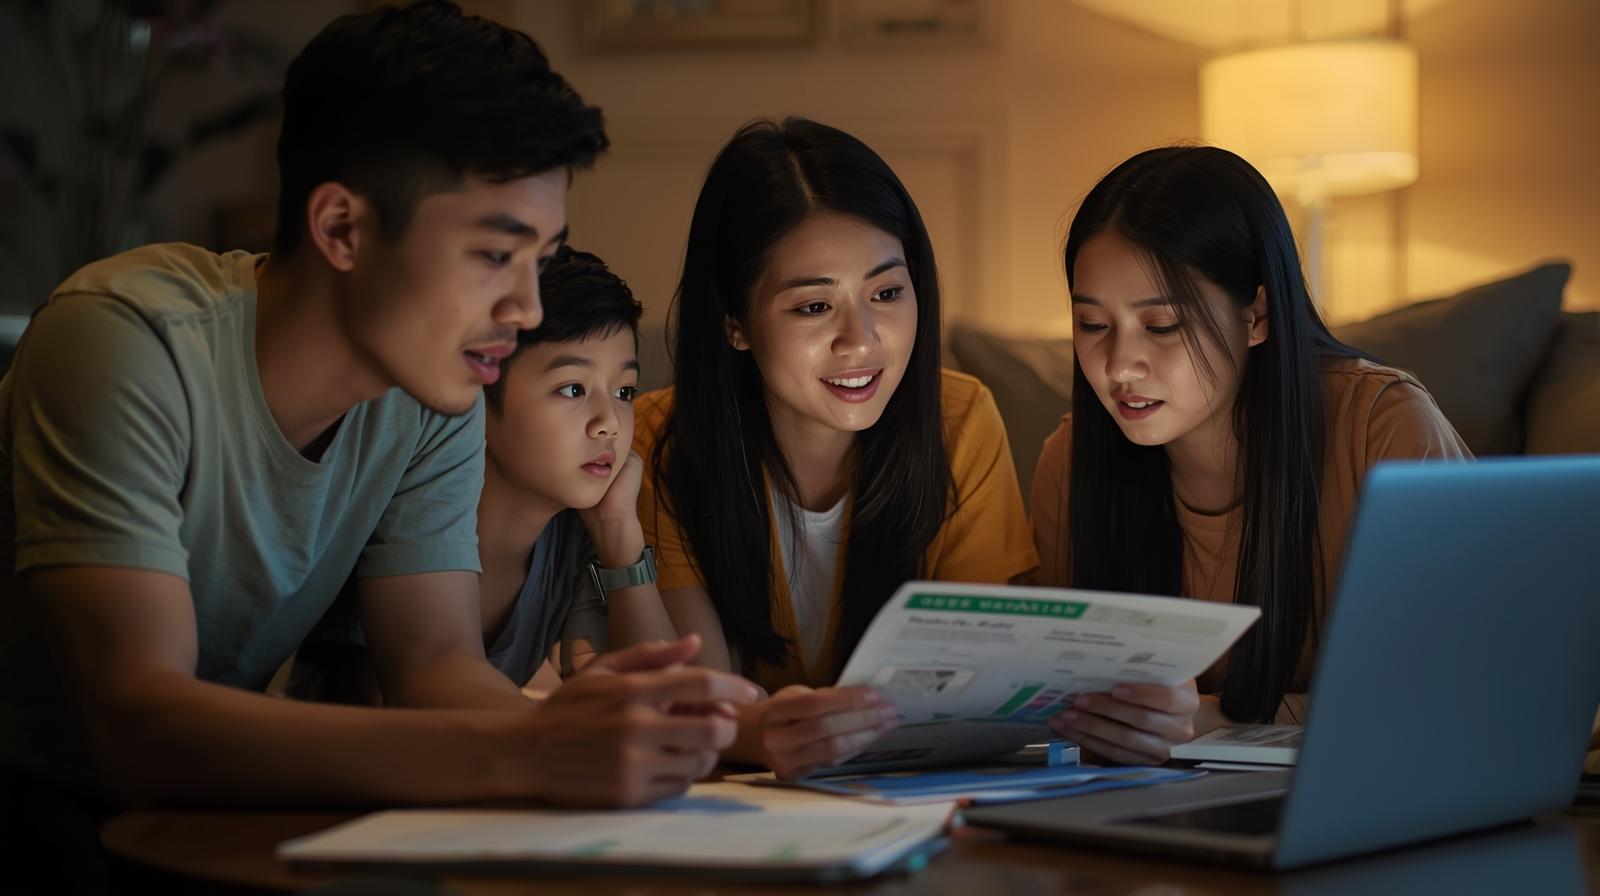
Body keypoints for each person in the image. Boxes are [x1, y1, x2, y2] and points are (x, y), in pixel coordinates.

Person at [0, 6, 756, 882]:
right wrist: (532, 751)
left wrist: (628, 737)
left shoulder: (434, 396)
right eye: (491, 255)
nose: (527, 310)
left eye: (539, 260)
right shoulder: (127, 340)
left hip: (203, 816)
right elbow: (138, 725)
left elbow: (436, 665)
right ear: (342, 229)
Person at [627, 118, 1038, 779]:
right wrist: (764, 733)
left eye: (886, 293)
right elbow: (703, 698)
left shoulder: (960, 420)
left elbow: (974, 678)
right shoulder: (657, 438)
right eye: (814, 307)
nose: (862, 340)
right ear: (735, 322)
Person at [1030, 146, 1469, 766]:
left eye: (1161, 326)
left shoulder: (1383, 428)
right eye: (1093, 325)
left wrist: (1210, 722)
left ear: (1256, 314)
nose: (1120, 365)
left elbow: (1460, 695)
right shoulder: (1071, 462)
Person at [292, 245, 675, 701]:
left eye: (625, 391)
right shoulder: (398, 516)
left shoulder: (576, 531)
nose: (609, 422)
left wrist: (620, 536)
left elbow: (664, 699)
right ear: (478, 393)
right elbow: (387, 715)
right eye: (572, 388)